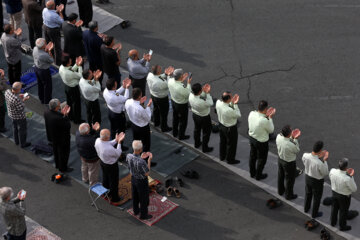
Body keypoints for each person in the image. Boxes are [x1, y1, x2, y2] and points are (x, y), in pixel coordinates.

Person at [125, 88, 156, 168]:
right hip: (143, 127)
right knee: (146, 144)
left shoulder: (128, 102)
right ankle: (145, 160)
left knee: (136, 141)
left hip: (134, 125)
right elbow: (148, 118)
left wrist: (140, 103)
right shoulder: (140, 108)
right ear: (139, 96)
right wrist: (148, 106)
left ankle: (136, 155)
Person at [94, 129, 125, 205]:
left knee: (105, 178)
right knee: (114, 181)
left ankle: (106, 193)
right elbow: (118, 153)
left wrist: (116, 140)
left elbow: (107, 143)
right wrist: (119, 142)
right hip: (111, 166)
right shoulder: (108, 149)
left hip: (103, 162)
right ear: (107, 137)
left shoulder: (98, 140)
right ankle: (115, 198)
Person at [248, 100, 275, 180]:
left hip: (252, 138)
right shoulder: (264, 120)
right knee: (261, 159)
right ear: (265, 109)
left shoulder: (252, 113)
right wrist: (270, 118)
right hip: (261, 142)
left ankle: (252, 173)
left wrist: (266, 117)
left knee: (252, 156)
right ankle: (258, 175)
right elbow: (271, 130)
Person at [44, 99, 72, 173]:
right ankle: (63, 168)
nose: (60, 107)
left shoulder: (46, 112)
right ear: (56, 108)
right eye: (59, 106)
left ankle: (57, 164)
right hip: (62, 139)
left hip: (52, 137)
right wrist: (65, 115)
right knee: (63, 154)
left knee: (56, 151)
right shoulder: (58, 118)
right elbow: (67, 125)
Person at [126, 140, 153, 220]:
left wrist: (141, 157)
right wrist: (149, 160)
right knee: (143, 198)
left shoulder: (128, 156)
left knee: (135, 195)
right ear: (140, 149)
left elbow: (132, 165)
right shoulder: (142, 162)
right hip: (141, 181)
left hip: (133, 178)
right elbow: (147, 173)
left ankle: (136, 210)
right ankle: (143, 215)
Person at [302, 141, 329, 218]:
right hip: (317, 181)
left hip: (307, 177)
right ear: (320, 151)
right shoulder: (319, 163)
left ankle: (306, 208)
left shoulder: (305, 155)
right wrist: (325, 160)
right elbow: (325, 173)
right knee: (317, 198)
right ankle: (314, 214)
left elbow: (305, 162)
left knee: (308, 193)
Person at [330, 158, 357, 231]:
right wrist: (351, 176)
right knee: (343, 211)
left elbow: (330, 176)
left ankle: (332, 222)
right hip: (344, 197)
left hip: (334, 193)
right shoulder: (347, 178)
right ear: (346, 167)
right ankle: (342, 226)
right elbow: (354, 189)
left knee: (334, 208)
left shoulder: (332, 171)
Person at [215, 91, 241, 165]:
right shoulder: (229, 110)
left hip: (221, 125)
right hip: (230, 129)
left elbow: (226, 105)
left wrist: (231, 103)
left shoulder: (218, 103)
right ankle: (230, 159)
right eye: (231, 97)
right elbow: (238, 114)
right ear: (228, 99)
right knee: (231, 144)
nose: (232, 97)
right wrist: (235, 104)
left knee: (223, 142)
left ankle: (222, 156)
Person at [276, 125, 300, 200]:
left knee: (280, 175)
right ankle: (289, 195)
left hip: (280, 159)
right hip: (289, 163)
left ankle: (280, 191)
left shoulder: (278, 137)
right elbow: (297, 150)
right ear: (289, 134)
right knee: (289, 180)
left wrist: (291, 137)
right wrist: (295, 139)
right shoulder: (290, 144)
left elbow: (286, 139)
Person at [146, 65, 173, 132]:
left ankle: (156, 122)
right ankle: (164, 127)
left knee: (156, 109)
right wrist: (169, 75)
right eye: (160, 69)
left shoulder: (150, 75)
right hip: (162, 98)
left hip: (153, 95)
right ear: (158, 71)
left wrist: (165, 74)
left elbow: (159, 77)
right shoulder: (161, 83)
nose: (161, 69)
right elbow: (169, 85)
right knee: (164, 113)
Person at [103, 77, 131, 142]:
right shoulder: (115, 98)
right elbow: (125, 98)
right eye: (116, 85)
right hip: (118, 115)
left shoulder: (106, 91)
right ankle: (120, 144)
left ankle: (114, 140)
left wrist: (123, 87)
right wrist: (127, 88)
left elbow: (116, 92)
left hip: (111, 112)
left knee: (113, 129)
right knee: (121, 130)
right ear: (113, 87)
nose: (117, 84)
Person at [189, 83, 213, 153]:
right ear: (199, 91)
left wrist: (204, 92)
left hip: (195, 115)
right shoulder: (203, 102)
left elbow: (200, 96)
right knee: (206, 133)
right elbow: (210, 103)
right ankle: (205, 148)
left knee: (197, 129)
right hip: (204, 117)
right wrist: (207, 93)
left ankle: (197, 144)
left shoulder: (190, 95)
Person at [4, 82, 31, 148]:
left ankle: (16, 141)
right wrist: (24, 99)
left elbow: (13, 96)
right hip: (19, 117)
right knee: (22, 130)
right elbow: (21, 108)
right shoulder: (16, 100)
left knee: (15, 127)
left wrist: (19, 95)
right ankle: (23, 144)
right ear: (18, 89)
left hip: (11, 114)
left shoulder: (7, 92)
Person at [59, 55, 84, 124]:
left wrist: (76, 64)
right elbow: (80, 76)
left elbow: (71, 69)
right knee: (76, 104)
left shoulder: (61, 67)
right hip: (73, 89)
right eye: (70, 61)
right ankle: (77, 120)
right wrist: (79, 66)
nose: (71, 61)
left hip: (66, 87)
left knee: (69, 102)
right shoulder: (70, 73)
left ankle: (70, 116)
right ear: (68, 63)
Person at [168, 69, 191, 140]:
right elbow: (188, 93)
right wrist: (188, 83)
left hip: (173, 101)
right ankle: (181, 135)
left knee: (175, 118)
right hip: (181, 105)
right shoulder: (181, 87)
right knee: (183, 121)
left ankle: (175, 133)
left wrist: (181, 79)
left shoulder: (170, 80)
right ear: (181, 76)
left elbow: (176, 81)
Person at [33, 38, 54, 104]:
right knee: (47, 86)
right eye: (45, 43)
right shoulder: (44, 55)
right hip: (44, 71)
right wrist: (49, 51)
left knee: (40, 84)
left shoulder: (35, 48)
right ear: (42, 46)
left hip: (37, 68)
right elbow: (51, 60)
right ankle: (47, 101)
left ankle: (41, 97)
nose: (46, 43)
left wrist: (45, 49)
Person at [42, 0, 63, 65]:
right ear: (53, 6)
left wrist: (56, 11)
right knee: (57, 46)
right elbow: (62, 21)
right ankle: (58, 62)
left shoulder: (44, 10)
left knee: (49, 43)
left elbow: (52, 13)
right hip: (53, 30)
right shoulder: (54, 16)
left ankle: (51, 55)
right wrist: (60, 12)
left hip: (45, 27)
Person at [83, 21, 103, 86]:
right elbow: (101, 47)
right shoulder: (96, 39)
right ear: (95, 28)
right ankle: (98, 83)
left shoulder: (85, 32)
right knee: (99, 71)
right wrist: (101, 38)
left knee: (91, 68)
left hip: (89, 56)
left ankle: (91, 79)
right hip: (97, 58)